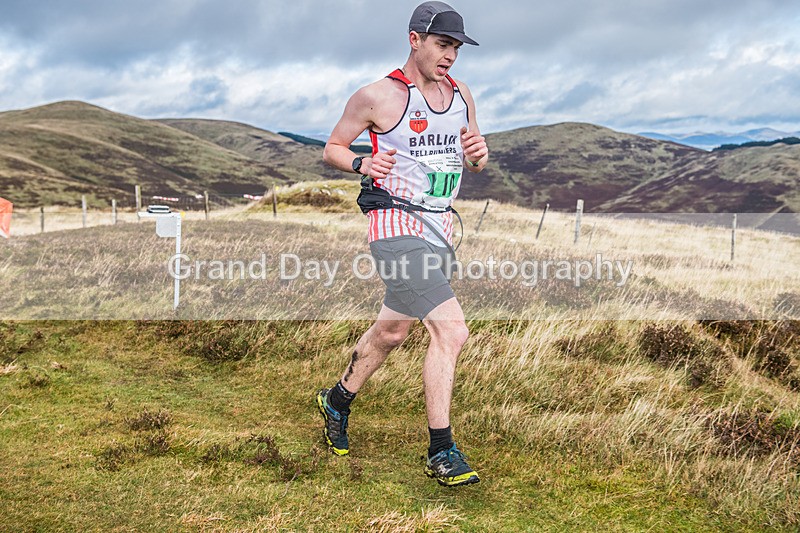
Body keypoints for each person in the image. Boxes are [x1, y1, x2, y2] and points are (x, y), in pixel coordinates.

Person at [316, 1, 488, 487]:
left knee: (393, 333)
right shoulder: (377, 96)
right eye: (442, 44)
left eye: (456, 47)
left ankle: (336, 399)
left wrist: (479, 154)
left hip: (439, 229)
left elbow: (472, 157)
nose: (450, 55)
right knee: (451, 331)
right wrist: (360, 164)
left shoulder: (461, 95)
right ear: (415, 40)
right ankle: (441, 450)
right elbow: (332, 147)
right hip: (393, 226)